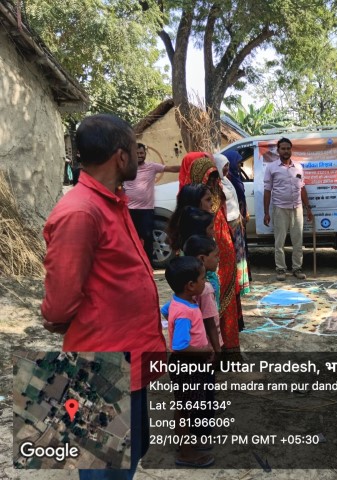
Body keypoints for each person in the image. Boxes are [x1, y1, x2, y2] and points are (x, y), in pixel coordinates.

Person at [41, 114, 167, 480]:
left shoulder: (111, 201)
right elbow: (59, 303)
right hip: (102, 366)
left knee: (130, 454)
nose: (139, 156)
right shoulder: (81, 211)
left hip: (127, 359)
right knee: (105, 466)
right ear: (120, 156)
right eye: (134, 148)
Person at [164, 256, 215, 468]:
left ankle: (187, 442)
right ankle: (186, 452)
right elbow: (179, 345)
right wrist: (204, 350)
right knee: (184, 409)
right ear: (191, 285)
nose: (205, 282)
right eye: (203, 278)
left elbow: (165, 310)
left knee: (187, 405)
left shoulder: (179, 301)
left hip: (189, 364)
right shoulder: (185, 312)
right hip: (186, 364)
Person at [190, 157, 245, 353]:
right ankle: (214, 348)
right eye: (210, 178)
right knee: (210, 301)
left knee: (225, 297)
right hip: (210, 256)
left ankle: (228, 343)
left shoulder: (218, 190)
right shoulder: (194, 213)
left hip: (224, 250)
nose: (214, 181)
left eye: (215, 176)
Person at [263, 137, 313, 281]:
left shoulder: (298, 167)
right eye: (283, 149)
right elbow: (267, 191)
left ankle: (297, 268)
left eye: (288, 148)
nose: (286, 151)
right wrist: (266, 213)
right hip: (280, 209)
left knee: (298, 241)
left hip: (297, 208)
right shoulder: (271, 167)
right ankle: (281, 269)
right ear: (278, 151)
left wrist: (308, 209)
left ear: (291, 150)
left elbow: (302, 188)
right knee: (279, 242)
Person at [123, 143, 180, 263]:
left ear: (145, 154)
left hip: (146, 210)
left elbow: (171, 168)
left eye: (141, 153)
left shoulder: (152, 167)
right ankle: (134, 264)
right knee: (130, 239)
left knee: (148, 238)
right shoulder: (127, 168)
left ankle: (148, 264)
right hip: (128, 210)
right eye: (137, 153)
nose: (140, 155)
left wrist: (187, 166)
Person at [214, 153, 250, 295]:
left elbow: (235, 199)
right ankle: (232, 285)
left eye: (228, 165)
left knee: (239, 254)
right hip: (226, 224)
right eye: (224, 166)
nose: (227, 168)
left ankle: (240, 284)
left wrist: (240, 216)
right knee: (230, 255)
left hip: (236, 221)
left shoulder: (227, 180)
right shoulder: (216, 184)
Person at [226, 150, 252, 281]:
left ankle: (245, 276)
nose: (239, 165)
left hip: (240, 213)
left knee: (242, 245)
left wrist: (245, 211)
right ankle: (237, 277)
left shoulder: (236, 175)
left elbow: (241, 196)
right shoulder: (228, 178)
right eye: (237, 162)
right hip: (235, 216)